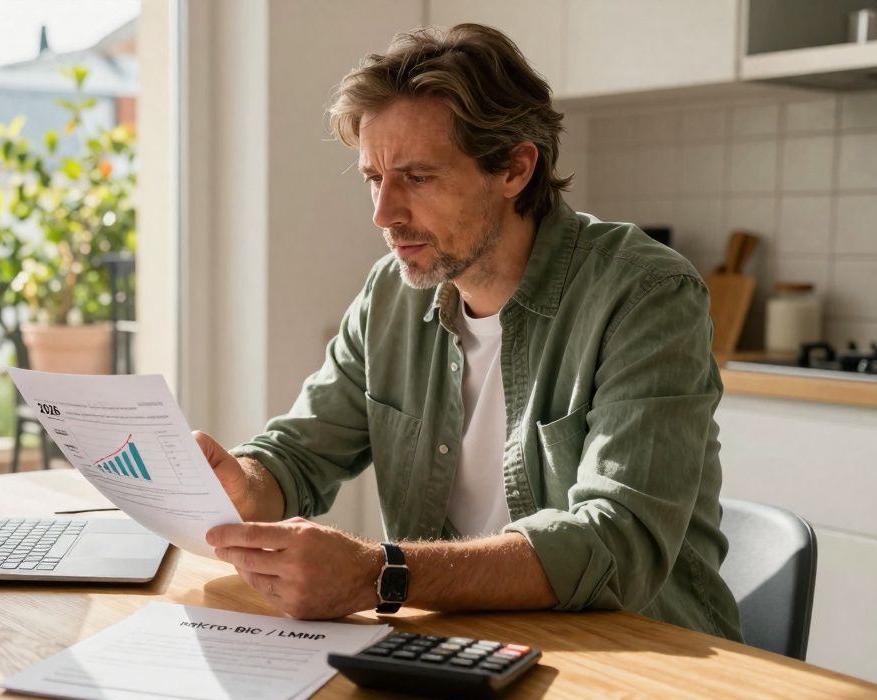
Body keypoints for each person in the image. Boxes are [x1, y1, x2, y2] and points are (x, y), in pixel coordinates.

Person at [193, 23, 741, 641]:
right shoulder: (390, 294)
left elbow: (617, 539)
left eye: (417, 177)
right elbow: (296, 456)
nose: (384, 214)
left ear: (514, 168)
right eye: (375, 178)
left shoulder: (645, 293)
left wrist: (381, 574)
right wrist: (246, 483)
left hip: (644, 663)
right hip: (461, 646)